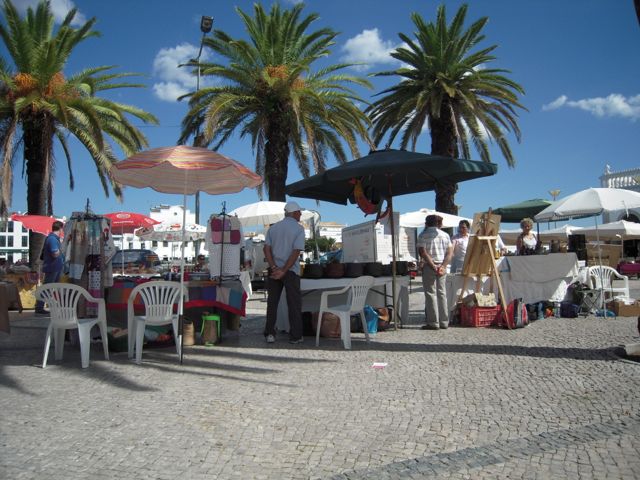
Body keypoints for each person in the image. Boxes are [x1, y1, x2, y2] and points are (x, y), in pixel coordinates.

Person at [263, 201, 305, 344]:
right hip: (291, 271)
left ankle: (270, 334)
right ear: (294, 213)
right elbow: (296, 251)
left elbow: (266, 249)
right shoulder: (299, 229)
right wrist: (284, 270)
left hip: (274, 270)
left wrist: (274, 267)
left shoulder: (273, 228)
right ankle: (295, 336)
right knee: (294, 303)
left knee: (272, 303)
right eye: (299, 212)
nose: (301, 214)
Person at [417, 214, 453, 330]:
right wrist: (443, 266)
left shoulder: (423, 235)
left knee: (430, 294)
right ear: (438, 223)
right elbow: (450, 253)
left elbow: (423, 252)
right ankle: (444, 321)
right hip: (442, 266)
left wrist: (433, 266)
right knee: (442, 293)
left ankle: (433, 322)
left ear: (427, 223)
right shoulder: (445, 235)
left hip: (429, 266)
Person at [35, 220, 65, 315]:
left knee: (51, 288)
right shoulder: (52, 239)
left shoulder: (53, 239)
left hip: (55, 267)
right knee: (47, 288)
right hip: (52, 268)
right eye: (62, 229)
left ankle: (43, 307)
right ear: (60, 229)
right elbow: (55, 253)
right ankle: (39, 308)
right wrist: (61, 248)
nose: (62, 231)